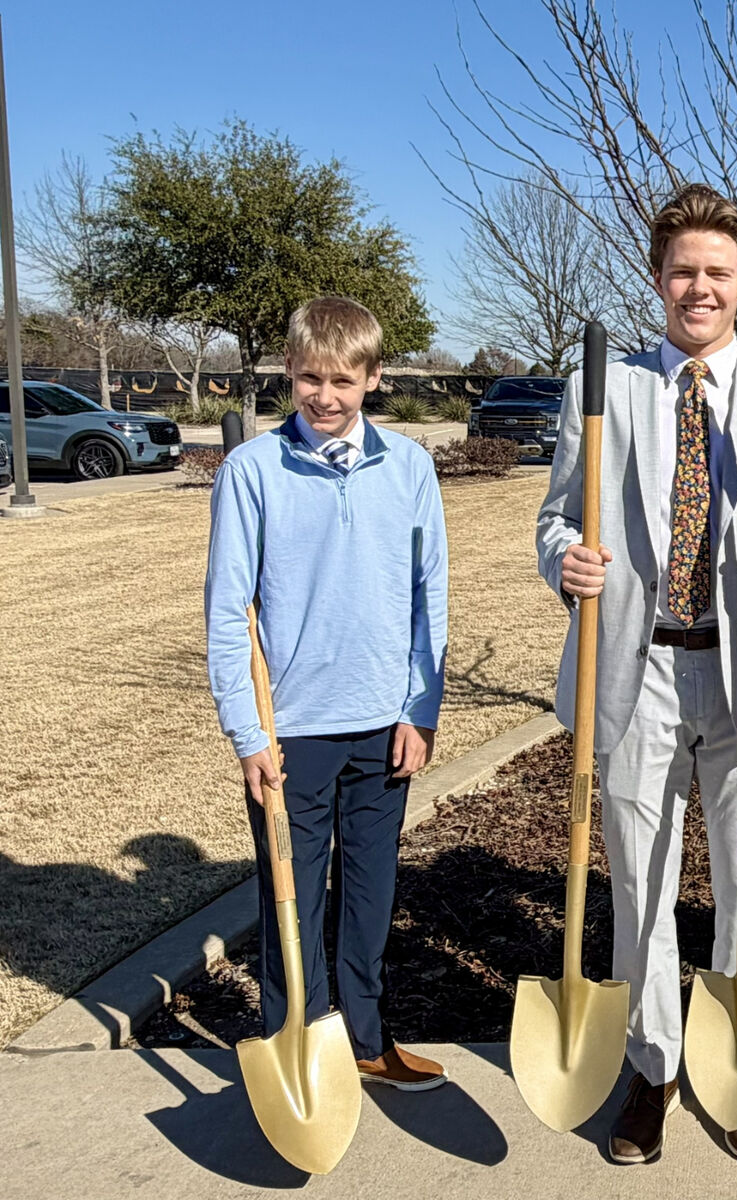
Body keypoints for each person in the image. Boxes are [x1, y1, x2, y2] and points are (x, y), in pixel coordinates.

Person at [536, 183, 737, 1164]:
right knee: (640, 882)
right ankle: (654, 1065)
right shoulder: (607, 389)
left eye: (717, 272)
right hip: (638, 671)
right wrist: (564, 561)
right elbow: (556, 518)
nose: (698, 288)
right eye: (682, 271)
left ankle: (734, 1060)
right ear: (657, 278)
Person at [205, 296, 450, 1090]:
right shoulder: (251, 472)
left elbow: (429, 597)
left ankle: (368, 1041)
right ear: (289, 370)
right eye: (310, 378)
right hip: (292, 731)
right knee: (292, 900)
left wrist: (420, 709)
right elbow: (227, 612)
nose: (326, 396)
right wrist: (247, 732)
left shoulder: (408, 467)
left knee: (370, 896)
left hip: (383, 724)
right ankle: (298, 1046)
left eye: (343, 380)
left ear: (373, 378)